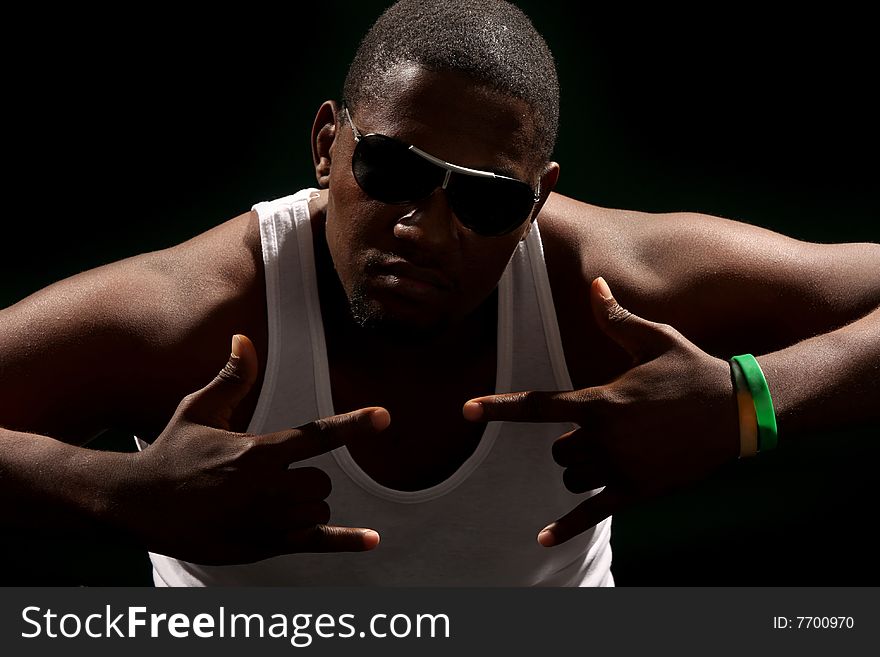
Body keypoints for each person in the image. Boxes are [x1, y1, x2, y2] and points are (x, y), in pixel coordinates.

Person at [1, 0, 877, 586]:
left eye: (488, 199)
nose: (424, 228)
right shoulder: (193, 313)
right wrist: (109, 490)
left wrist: (747, 403)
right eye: (391, 168)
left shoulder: (609, 286)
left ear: (537, 199)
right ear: (326, 145)